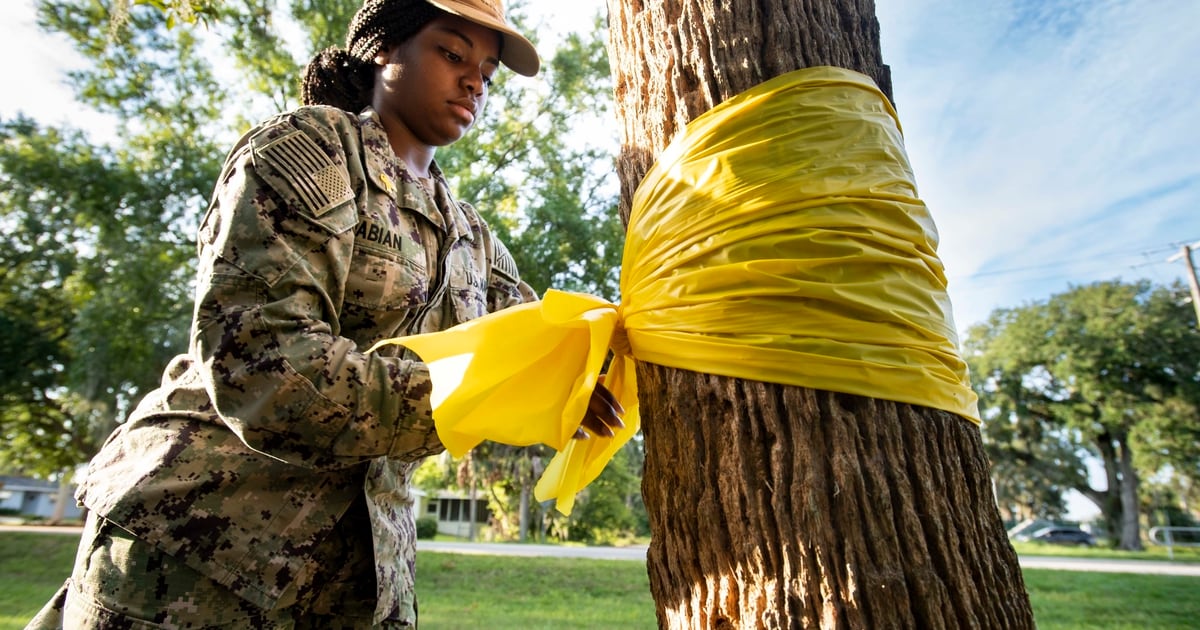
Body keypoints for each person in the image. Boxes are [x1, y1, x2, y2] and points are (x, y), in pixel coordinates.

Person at [28, 0, 623, 627]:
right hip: (198, 556)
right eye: (452, 53)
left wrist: (591, 368)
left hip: (359, 581)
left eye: (488, 71)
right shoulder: (310, 152)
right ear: (386, 49)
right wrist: (476, 396)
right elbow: (268, 372)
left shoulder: (470, 238)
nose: (474, 80)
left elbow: (546, 343)